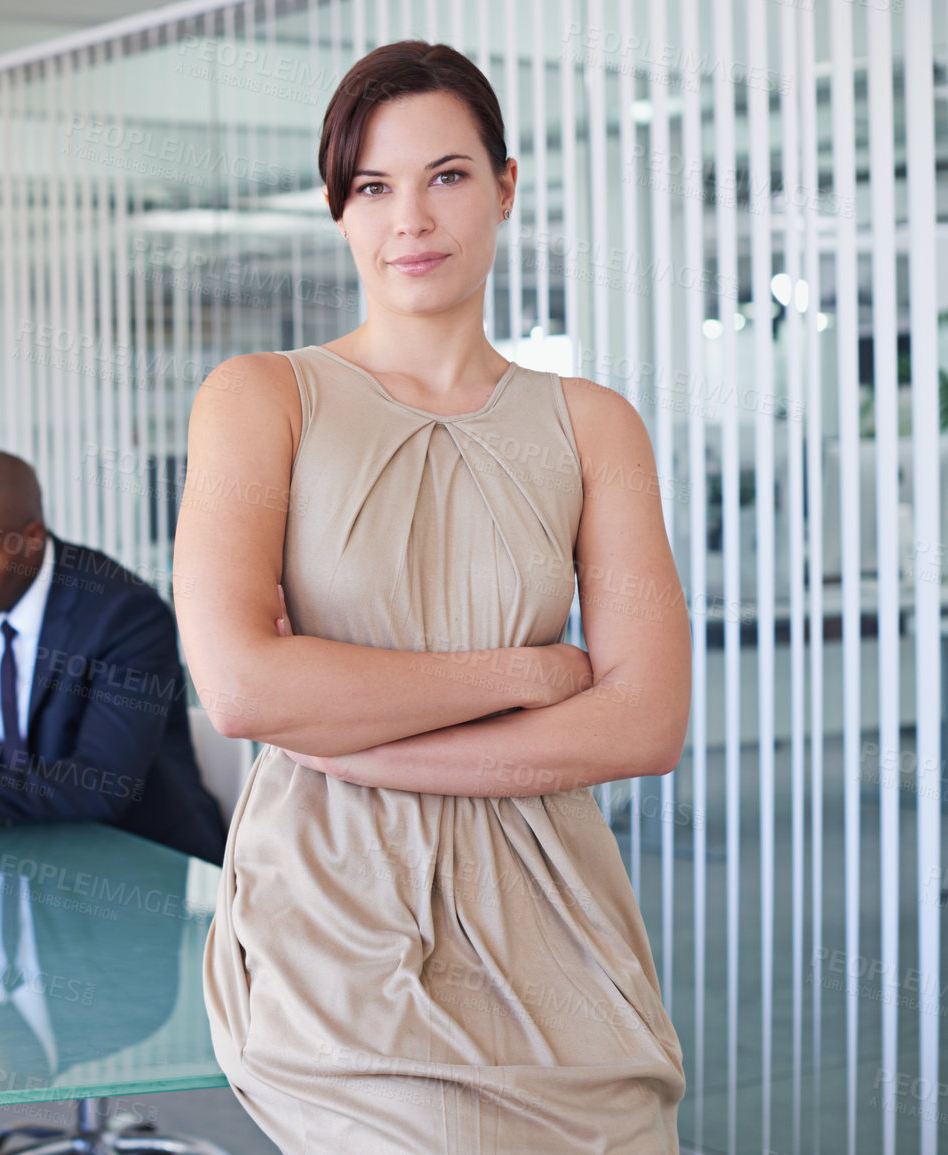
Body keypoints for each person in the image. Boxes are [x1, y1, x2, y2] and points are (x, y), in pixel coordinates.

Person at [176, 41, 689, 1153]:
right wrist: (525, 672)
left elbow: (646, 721)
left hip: (559, 921)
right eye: (373, 186)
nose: (410, 217)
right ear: (340, 211)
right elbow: (242, 685)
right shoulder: (264, 398)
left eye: (447, 175)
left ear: (506, 188)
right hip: (338, 917)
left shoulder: (593, 424)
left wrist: (357, 742)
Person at [0, 451, 226, 866]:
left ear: (32, 537)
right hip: (23, 857)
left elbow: (99, 785)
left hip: (136, 863)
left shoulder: (125, 614)